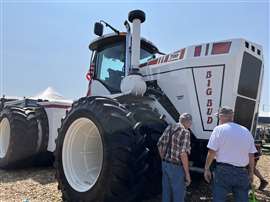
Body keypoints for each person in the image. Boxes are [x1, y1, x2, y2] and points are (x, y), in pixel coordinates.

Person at [204, 106, 257, 202]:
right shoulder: (245, 130)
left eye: (219, 117)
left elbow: (212, 151)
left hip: (223, 171)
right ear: (232, 117)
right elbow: (251, 155)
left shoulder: (219, 129)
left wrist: (206, 168)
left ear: (221, 116)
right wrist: (251, 172)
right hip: (242, 172)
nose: (219, 120)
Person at [157, 113, 192, 202]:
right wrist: (187, 174)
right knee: (178, 195)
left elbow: (159, 144)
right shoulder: (185, 132)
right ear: (188, 122)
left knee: (166, 192)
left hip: (165, 164)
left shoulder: (169, 127)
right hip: (176, 167)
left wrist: (163, 159)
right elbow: (183, 153)